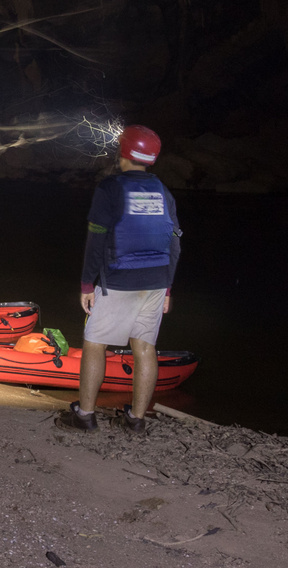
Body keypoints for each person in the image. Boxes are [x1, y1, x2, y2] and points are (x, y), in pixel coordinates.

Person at [58, 124, 181, 434]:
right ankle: (136, 419)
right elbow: (174, 243)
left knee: (95, 344)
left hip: (118, 280)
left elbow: (96, 240)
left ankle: (85, 415)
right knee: (144, 349)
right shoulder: (163, 191)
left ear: (123, 152)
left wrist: (87, 284)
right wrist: (166, 287)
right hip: (156, 280)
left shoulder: (109, 188)